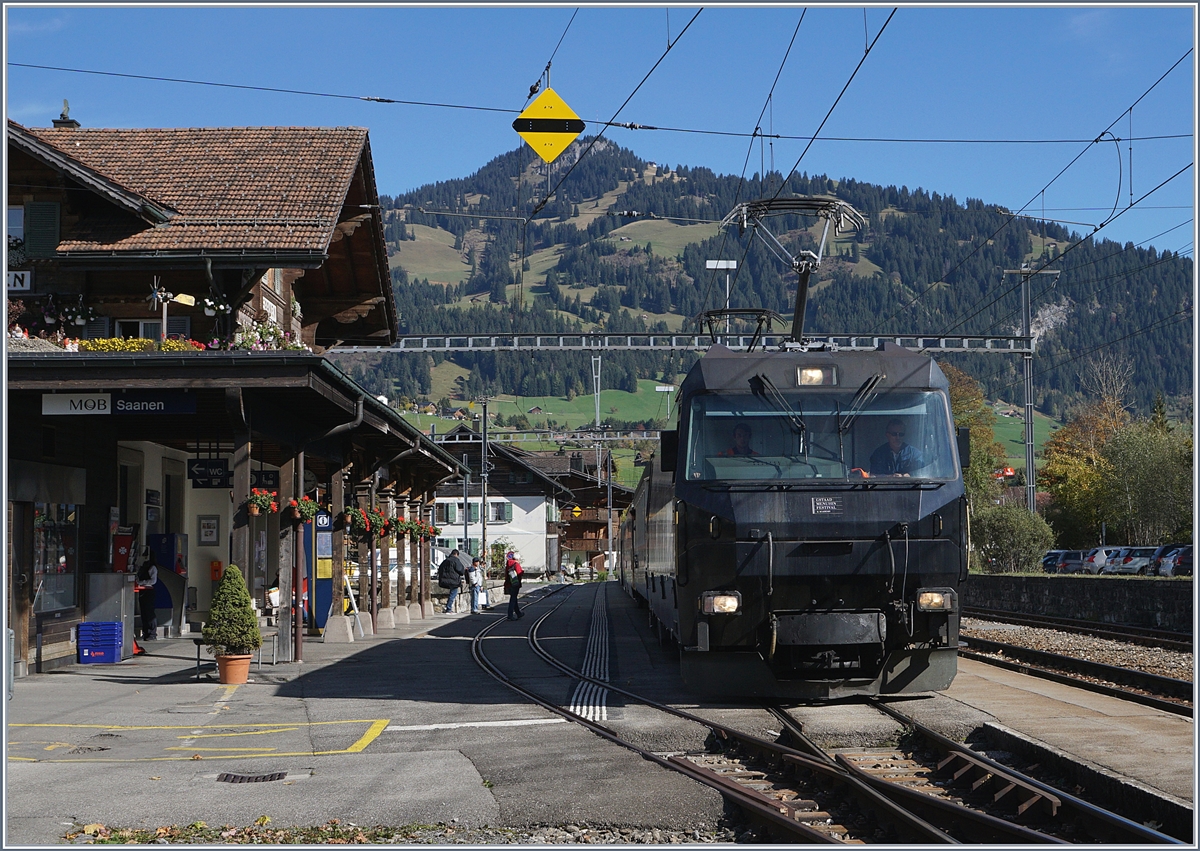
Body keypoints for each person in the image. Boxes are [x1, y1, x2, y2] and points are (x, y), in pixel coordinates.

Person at [135, 549, 159, 641]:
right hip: (142, 590)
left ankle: (152, 633)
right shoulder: (143, 567)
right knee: (144, 612)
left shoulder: (152, 567)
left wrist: (142, 582)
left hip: (148, 590)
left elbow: (153, 580)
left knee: (149, 613)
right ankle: (146, 632)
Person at [437, 549, 466, 613]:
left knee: (451, 594)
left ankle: (448, 607)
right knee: (453, 594)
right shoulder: (456, 560)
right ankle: (448, 608)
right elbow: (460, 570)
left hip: (444, 580)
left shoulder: (445, 561)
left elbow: (440, 570)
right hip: (454, 581)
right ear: (456, 554)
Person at [504, 551, 524, 621]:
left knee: (514, 599)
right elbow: (519, 573)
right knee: (513, 599)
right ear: (518, 558)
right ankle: (510, 615)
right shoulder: (516, 564)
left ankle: (518, 613)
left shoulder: (508, 564)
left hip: (509, 583)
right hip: (515, 584)